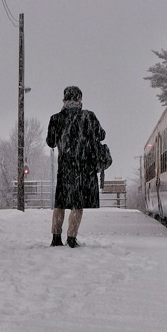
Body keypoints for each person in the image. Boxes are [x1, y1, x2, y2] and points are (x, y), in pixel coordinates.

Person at [46, 85, 105, 248]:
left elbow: (50, 142)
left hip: (65, 167)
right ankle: (71, 238)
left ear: (64, 100)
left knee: (60, 202)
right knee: (77, 204)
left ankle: (56, 238)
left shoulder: (55, 118)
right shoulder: (88, 116)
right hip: (84, 167)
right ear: (80, 99)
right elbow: (101, 135)